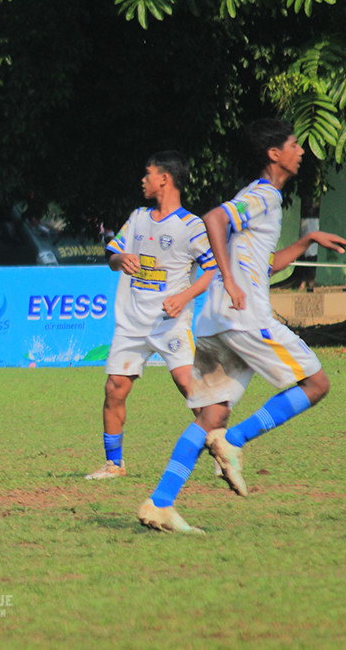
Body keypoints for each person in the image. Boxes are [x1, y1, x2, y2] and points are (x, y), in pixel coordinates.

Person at [137, 119, 346, 534]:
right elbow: (213, 220)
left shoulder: (256, 199)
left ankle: (159, 503)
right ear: (275, 154)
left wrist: (307, 242)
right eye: (294, 144)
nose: (301, 150)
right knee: (317, 384)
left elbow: (263, 263)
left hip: (215, 321)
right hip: (245, 318)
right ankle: (235, 441)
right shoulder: (264, 195)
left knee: (211, 417)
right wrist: (233, 281)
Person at [86, 151, 217, 481]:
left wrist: (183, 297)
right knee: (115, 388)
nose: (142, 180)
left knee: (189, 385)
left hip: (169, 322)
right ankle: (114, 464)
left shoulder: (191, 226)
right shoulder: (138, 217)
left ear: (165, 179)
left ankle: (220, 450)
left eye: (148, 174)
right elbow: (113, 255)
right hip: (131, 321)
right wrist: (121, 259)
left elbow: (211, 271)